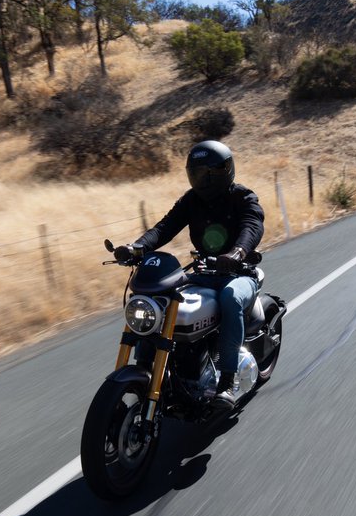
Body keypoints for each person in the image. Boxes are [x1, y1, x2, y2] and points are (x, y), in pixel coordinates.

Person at [112, 140, 265, 407]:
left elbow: (252, 226)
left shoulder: (242, 197)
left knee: (230, 297)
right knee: (159, 298)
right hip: (203, 273)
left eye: (206, 173)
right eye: (195, 173)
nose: (200, 180)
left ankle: (227, 382)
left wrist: (237, 253)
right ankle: (146, 368)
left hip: (239, 274)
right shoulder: (191, 200)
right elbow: (165, 227)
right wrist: (136, 247)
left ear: (224, 171)